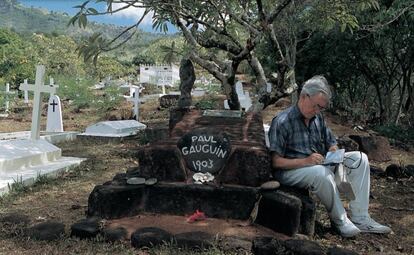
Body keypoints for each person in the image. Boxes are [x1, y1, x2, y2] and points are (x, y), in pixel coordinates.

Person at [268, 75, 392, 237]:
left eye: (321, 108)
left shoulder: (317, 117)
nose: (318, 111)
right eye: (316, 106)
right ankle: (340, 221)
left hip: (318, 164)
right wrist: (306, 161)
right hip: (291, 171)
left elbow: (330, 142)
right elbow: (276, 162)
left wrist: (334, 151)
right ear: (304, 96)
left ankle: (361, 217)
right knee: (321, 173)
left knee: (360, 159)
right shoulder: (282, 121)